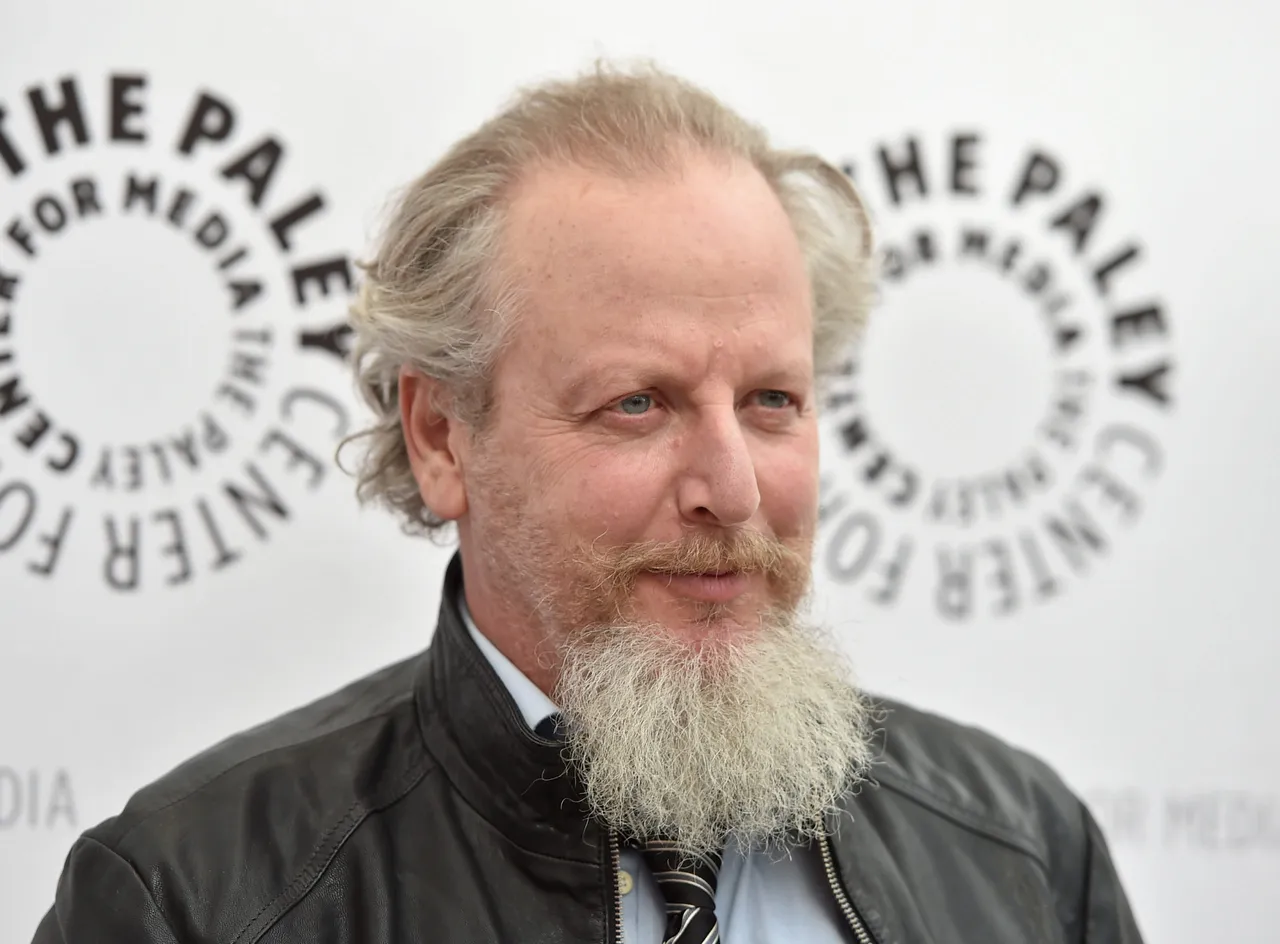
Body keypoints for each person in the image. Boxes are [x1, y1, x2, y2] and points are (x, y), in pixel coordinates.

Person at [32, 62, 1144, 944]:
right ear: (440, 435)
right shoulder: (194, 896)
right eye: (634, 403)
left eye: (770, 398)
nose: (732, 488)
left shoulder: (1022, 851)